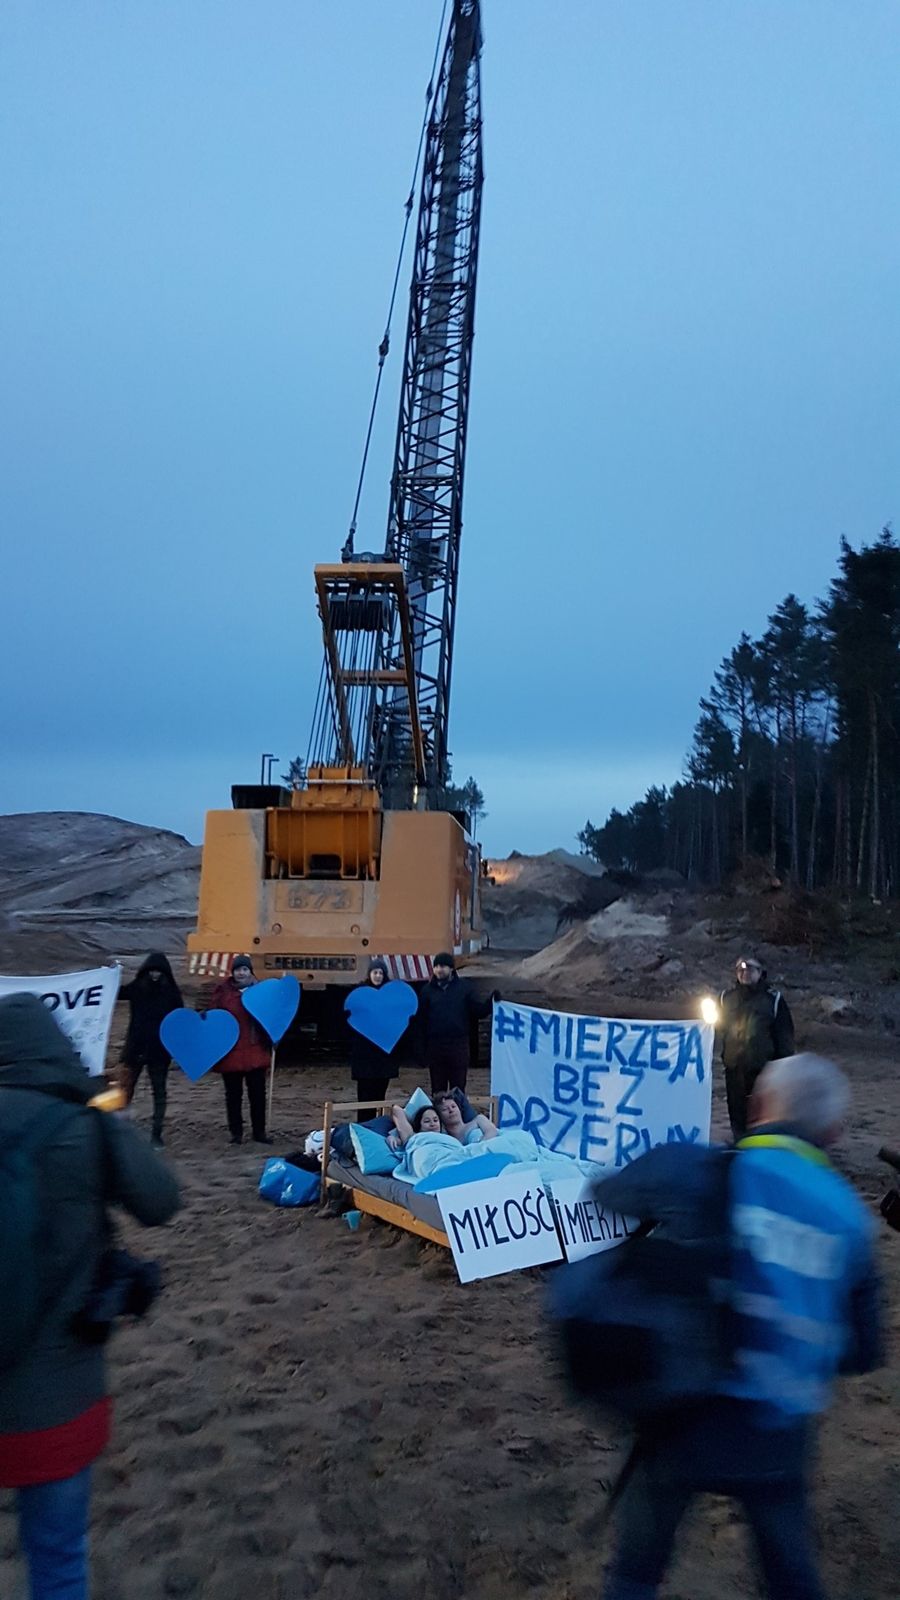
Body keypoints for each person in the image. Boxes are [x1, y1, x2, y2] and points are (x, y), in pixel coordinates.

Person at [593, 1052, 882, 1600]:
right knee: (791, 1578)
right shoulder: (851, 1217)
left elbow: (609, 1194)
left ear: (757, 1106)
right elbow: (863, 1351)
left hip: (682, 1414)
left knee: (635, 1570)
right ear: (835, 1132)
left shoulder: (706, 1170)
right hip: (779, 1430)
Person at [0, 993, 180, 1600]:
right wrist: (109, 1131)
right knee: (58, 1562)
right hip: (56, 1397)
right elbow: (161, 1201)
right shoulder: (85, 1126)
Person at [718, 955, 794, 1139]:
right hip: (734, 1068)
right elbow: (718, 1028)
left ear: (760, 973)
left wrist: (783, 1067)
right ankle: (739, 1144)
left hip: (763, 1070)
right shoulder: (725, 998)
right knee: (737, 1113)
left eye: (750, 969)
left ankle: (759, 1145)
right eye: (740, 970)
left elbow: (784, 1037)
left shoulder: (773, 1000)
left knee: (762, 1113)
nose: (745, 973)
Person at [119, 952, 182, 1147]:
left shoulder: (171, 992)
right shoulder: (137, 988)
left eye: (159, 971)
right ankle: (121, 1132)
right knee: (125, 1091)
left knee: (159, 1094)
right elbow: (116, 992)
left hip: (159, 1052)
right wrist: (110, 975)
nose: (155, 974)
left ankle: (157, 1134)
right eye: (152, 970)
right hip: (135, 1048)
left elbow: (180, 1018)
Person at [208, 956, 272, 1146]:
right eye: (238, 970)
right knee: (233, 1096)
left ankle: (259, 1132)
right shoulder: (222, 993)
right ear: (233, 972)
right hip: (231, 1052)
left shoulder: (260, 992)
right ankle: (236, 1133)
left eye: (244, 969)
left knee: (258, 1095)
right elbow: (213, 1016)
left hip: (255, 1051)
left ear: (250, 971)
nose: (241, 973)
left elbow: (270, 1017)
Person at [416, 952, 497, 1096]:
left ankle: (457, 1116)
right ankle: (439, 1118)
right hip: (436, 1046)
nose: (439, 970)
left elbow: (478, 1011)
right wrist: (421, 1050)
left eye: (443, 966)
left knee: (458, 1090)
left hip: (458, 1045)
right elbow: (421, 1021)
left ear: (451, 968)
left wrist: (491, 1001)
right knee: (438, 1090)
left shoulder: (465, 988)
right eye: (436, 966)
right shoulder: (427, 991)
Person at [345, 959, 404, 1121]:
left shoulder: (391, 996)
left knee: (379, 1095)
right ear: (369, 974)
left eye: (380, 973)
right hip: (364, 1056)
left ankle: (376, 1125)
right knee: (364, 1096)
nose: (378, 976)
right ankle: (363, 1125)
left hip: (383, 1057)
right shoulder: (359, 993)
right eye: (375, 972)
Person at [432, 1089, 497, 1143]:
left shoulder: (479, 1120)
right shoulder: (445, 1140)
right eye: (445, 1109)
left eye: (453, 1106)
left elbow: (492, 1132)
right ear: (439, 1116)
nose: (451, 1110)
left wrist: (478, 1148)